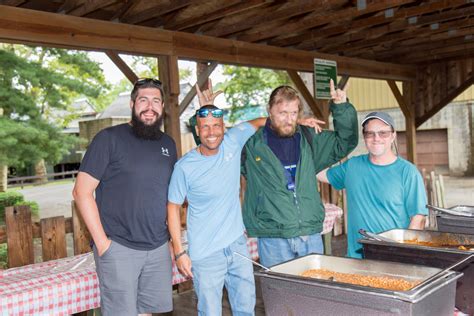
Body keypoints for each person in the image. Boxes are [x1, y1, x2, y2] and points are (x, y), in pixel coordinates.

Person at [167, 80, 321, 315]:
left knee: (246, 308)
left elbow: (264, 121)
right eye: (205, 127)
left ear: (223, 126)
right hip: (206, 253)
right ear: (197, 131)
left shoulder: (233, 141)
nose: (212, 132)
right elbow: (172, 207)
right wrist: (179, 252)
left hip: (237, 247)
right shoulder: (184, 166)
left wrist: (295, 121)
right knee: (209, 311)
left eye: (216, 126)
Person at [72, 78, 177, 316]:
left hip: (158, 246)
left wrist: (170, 240)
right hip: (119, 246)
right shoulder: (108, 139)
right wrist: (103, 244)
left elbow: (169, 195)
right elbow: (81, 192)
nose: (150, 106)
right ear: (132, 104)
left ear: (162, 107)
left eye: (156, 101)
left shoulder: (168, 144)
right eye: (143, 100)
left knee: (147, 312)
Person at [241, 80, 359, 267]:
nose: (289, 120)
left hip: (309, 234)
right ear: (269, 110)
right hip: (273, 236)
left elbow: (345, 142)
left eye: (294, 113)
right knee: (279, 294)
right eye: (283, 113)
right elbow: (217, 147)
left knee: (312, 292)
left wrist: (341, 107)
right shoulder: (251, 144)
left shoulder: (310, 137)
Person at [317, 111, 428, 258]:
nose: (376, 138)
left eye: (383, 133)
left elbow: (418, 218)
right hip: (356, 258)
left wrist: (405, 253)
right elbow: (318, 173)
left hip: (393, 259)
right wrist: (302, 136)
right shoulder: (352, 166)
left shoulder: (407, 172)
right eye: (370, 133)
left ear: (393, 135)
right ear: (364, 137)